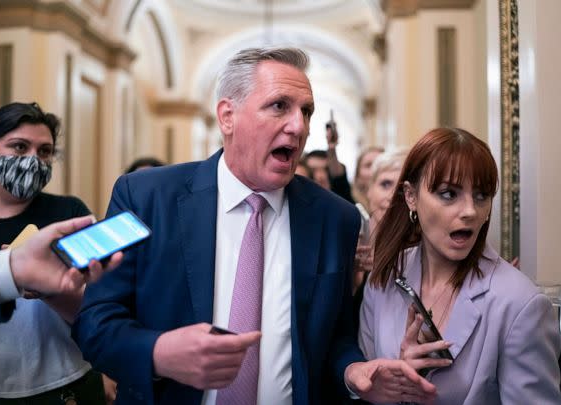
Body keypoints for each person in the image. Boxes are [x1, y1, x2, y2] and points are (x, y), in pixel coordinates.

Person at [73, 47, 435, 405]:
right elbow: (94, 323)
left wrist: (353, 371)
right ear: (227, 116)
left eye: (306, 111)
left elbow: (333, 338)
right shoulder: (145, 198)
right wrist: (158, 353)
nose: (299, 126)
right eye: (279, 106)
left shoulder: (334, 218)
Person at [359, 127, 561, 404]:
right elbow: (367, 389)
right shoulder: (383, 280)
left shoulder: (519, 303)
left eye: (481, 195)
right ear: (411, 196)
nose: (470, 211)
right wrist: (395, 382)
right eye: (448, 194)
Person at [0, 102, 107, 404]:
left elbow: (97, 313)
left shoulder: (69, 214)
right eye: (19, 147)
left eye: (45, 151)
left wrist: (49, 289)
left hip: (62, 387)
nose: (33, 160)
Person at [0, 215, 122, 327]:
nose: (32, 160)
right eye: (21, 156)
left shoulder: (69, 209)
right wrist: (15, 268)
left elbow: (91, 313)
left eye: (43, 157)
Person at [352, 149, 407, 333]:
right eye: (385, 184)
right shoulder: (349, 241)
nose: (392, 195)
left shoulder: (425, 252)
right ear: (369, 190)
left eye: (401, 188)